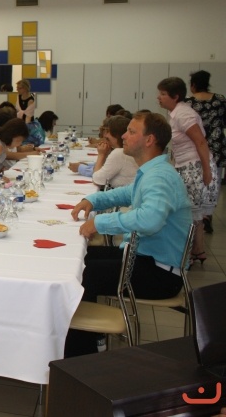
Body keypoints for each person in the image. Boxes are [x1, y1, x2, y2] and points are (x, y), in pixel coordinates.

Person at [67, 112, 192, 356]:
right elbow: (125, 194)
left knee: (81, 275)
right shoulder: (153, 171)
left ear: (149, 140)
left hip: (160, 274)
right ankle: (90, 342)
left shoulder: (160, 177)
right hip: (146, 258)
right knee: (81, 260)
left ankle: (81, 356)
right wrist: (92, 200)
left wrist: (100, 223)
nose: (124, 135)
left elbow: (150, 219)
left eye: (132, 132)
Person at [157, 77, 217, 264]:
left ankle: (188, 253)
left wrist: (206, 171)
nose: (159, 97)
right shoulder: (176, 113)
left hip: (195, 167)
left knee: (189, 213)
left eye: (163, 94)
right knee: (193, 213)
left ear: (175, 96)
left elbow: (200, 142)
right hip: (188, 166)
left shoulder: (183, 114)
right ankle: (198, 250)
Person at [187, 70, 225, 234]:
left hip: (194, 147)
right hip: (215, 147)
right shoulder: (220, 100)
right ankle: (208, 215)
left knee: (195, 182)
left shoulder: (188, 103)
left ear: (193, 85)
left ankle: (196, 215)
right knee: (214, 181)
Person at [70, 115, 137, 188]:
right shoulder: (127, 151)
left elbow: (97, 180)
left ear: (118, 136)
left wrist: (101, 155)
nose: (105, 141)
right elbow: (105, 168)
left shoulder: (119, 153)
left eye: (107, 138)